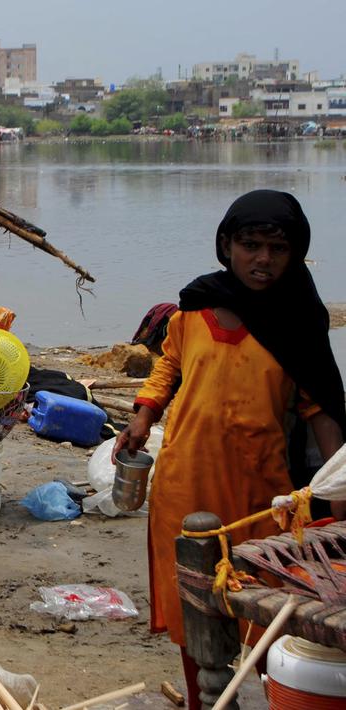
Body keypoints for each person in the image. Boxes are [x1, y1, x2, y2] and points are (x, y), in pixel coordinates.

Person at [114, 190, 345, 710]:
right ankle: (202, 700)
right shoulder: (193, 308)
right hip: (183, 479)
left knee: (267, 602)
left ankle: (270, 693)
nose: (262, 259)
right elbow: (168, 365)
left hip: (261, 489)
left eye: (277, 249)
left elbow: (322, 408)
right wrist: (142, 415)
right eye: (250, 245)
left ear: (296, 254)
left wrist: (337, 489)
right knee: (191, 601)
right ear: (226, 246)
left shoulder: (299, 323)